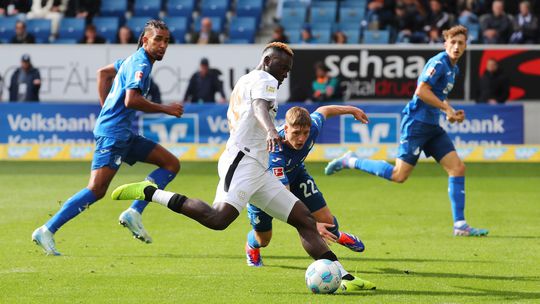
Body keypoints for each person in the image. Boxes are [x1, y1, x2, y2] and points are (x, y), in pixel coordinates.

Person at [111, 42, 376, 292]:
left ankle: (344, 276)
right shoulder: (265, 80)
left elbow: (255, 108)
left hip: (258, 168)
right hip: (241, 161)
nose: (284, 75)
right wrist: (272, 130)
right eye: (282, 68)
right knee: (219, 219)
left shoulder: (247, 80)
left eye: (288, 70)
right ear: (268, 61)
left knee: (304, 219)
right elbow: (260, 107)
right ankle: (151, 192)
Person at [31, 20, 184, 256]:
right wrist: (166, 109)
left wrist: (106, 109)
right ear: (145, 40)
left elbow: (103, 74)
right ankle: (47, 229)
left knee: (171, 164)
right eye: (158, 40)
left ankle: (134, 212)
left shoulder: (131, 61)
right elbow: (131, 100)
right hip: (113, 135)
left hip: (122, 133)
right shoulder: (140, 63)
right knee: (97, 188)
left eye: (166, 41)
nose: (163, 45)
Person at [325, 25, 489, 237]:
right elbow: (421, 91)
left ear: (466, 46)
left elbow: (437, 94)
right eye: (453, 42)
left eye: (461, 43)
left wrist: (450, 112)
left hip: (432, 127)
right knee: (398, 175)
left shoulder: (453, 69)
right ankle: (351, 160)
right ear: (445, 44)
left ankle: (460, 225)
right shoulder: (438, 62)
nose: (457, 47)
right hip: (416, 124)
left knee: (457, 168)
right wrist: (446, 108)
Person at [245, 105, 369, 267]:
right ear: (286, 128)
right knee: (264, 239)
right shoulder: (275, 151)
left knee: (327, 220)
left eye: (305, 133)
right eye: (296, 133)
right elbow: (285, 199)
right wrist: (312, 226)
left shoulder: (313, 127)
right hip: (264, 188)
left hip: (296, 175)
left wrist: (352, 110)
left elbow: (323, 110)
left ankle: (337, 235)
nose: (302, 139)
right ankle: (251, 246)